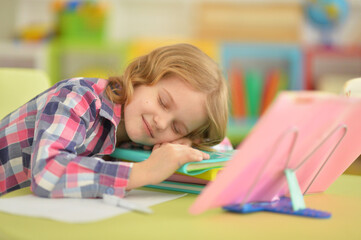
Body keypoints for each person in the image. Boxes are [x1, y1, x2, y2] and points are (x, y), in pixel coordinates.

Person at [0, 43, 229, 198]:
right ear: (142, 76)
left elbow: (221, 146)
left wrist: (188, 146)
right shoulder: (80, 97)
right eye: (163, 102)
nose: (162, 123)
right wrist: (143, 172)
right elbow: (47, 173)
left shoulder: (137, 130)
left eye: (177, 126)